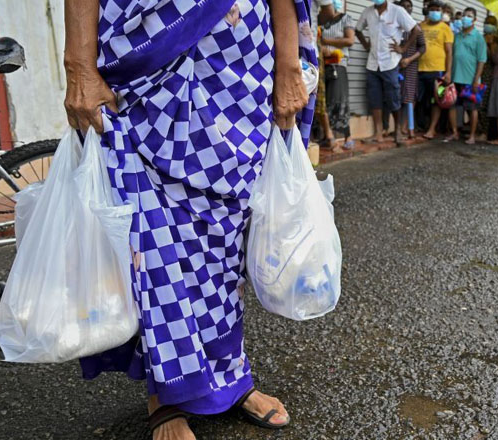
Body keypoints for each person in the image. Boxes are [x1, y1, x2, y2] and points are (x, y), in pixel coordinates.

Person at [63, 0, 314, 438]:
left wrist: (288, 66)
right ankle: (167, 394)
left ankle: (231, 376)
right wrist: (79, 64)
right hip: (145, 53)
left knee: (226, 237)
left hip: (238, 64)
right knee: (153, 234)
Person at [356, 0, 419, 145]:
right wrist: (366, 45)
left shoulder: (397, 11)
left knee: (393, 98)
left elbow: (416, 30)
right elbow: (358, 30)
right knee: (375, 98)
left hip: (390, 63)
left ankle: (397, 131)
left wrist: (403, 49)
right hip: (372, 63)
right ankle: (378, 133)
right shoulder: (368, 12)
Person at [447, 7, 486, 144]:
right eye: (464, 15)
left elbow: (481, 60)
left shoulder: (478, 38)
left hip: (470, 79)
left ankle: (472, 135)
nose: (465, 18)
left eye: (469, 16)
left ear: (475, 20)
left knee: (471, 109)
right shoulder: (457, 36)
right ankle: (454, 132)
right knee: (452, 105)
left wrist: (476, 79)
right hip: (455, 77)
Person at [320, 0, 356, 149]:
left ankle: (348, 137)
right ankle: (328, 136)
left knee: (339, 100)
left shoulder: (346, 18)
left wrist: (326, 41)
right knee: (325, 101)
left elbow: (350, 40)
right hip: (322, 64)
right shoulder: (321, 20)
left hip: (338, 64)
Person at [418, 0, 454, 140]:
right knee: (417, 98)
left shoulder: (445, 28)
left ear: (441, 11)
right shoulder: (420, 26)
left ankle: (432, 129)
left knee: (436, 100)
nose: (434, 12)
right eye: (432, 9)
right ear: (427, 10)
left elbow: (449, 52)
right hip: (420, 68)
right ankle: (413, 126)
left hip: (438, 70)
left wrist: (448, 72)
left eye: (437, 9)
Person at [396, 0, 426, 140]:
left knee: (409, 97)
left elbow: (422, 48)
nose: (407, 9)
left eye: (409, 6)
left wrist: (409, 59)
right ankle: (398, 128)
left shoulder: (417, 27)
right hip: (395, 66)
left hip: (411, 65)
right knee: (397, 96)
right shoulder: (396, 26)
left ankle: (409, 128)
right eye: (404, 6)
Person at [477, 16, 498, 140]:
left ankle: (485, 132)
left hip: (489, 75)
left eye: (490, 24)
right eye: (486, 23)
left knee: (484, 104)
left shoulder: (497, 41)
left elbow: (495, 59)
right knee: (476, 102)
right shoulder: (481, 37)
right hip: (478, 73)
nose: (487, 25)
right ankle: (478, 128)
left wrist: (489, 45)